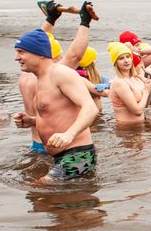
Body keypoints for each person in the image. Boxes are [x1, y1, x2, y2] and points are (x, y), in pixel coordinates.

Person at [12, 29, 98, 180]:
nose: (16, 58)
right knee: (47, 201)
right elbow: (55, 114)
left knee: (36, 189)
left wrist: (69, 134)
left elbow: (90, 108)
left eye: (21, 52)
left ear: (39, 53)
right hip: (61, 155)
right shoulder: (41, 79)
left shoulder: (60, 74)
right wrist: (32, 121)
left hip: (78, 154)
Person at [19, 0, 98, 153]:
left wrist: (50, 19)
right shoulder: (53, 73)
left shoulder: (26, 74)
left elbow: (34, 42)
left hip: (37, 143)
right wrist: (84, 22)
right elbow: (76, 54)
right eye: (59, 54)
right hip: (58, 143)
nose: (62, 57)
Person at [107, 42, 151, 126]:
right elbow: (137, 111)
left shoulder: (134, 78)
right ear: (115, 62)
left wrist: (150, 89)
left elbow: (145, 106)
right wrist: (146, 91)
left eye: (128, 57)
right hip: (127, 129)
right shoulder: (119, 83)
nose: (126, 61)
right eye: (121, 58)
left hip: (140, 124)